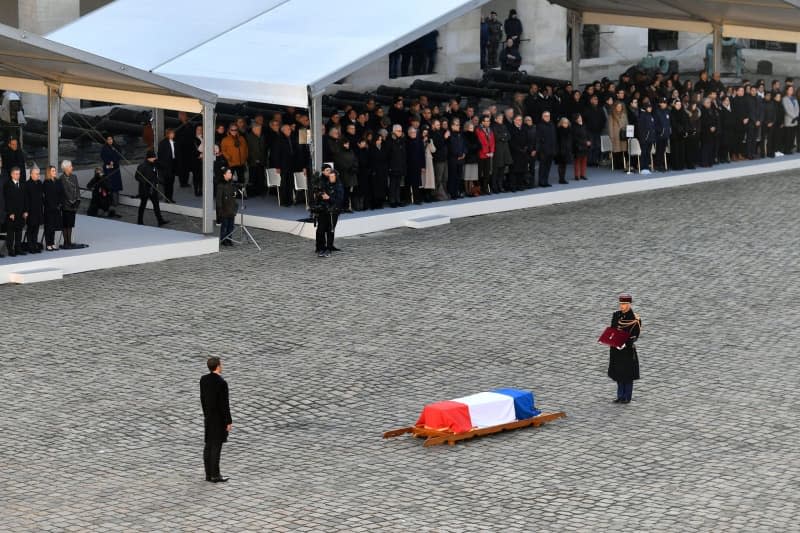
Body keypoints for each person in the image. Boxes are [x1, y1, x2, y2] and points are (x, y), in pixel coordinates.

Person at [200, 357, 232, 483]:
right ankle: (215, 474)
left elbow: (202, 398)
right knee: (216, 446)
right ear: (218, 366)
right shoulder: (221, 382)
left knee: (208, 445)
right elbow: (224, 404)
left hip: (208, 417)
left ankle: (208, 474)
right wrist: (228, 421)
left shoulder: (204, 380)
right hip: (218, 419)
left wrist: (206, 414)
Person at [607, 294, 641, 404]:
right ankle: (620, 395)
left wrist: (625, 344)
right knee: (618, 373)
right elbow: (612, 329)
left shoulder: (635, 319)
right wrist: (612, 341)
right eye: (621, 304)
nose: (622, 306)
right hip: (616, 349)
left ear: (629, 304)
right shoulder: (616, 315)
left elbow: (635, 335)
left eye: (625, 304)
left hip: (627, 350)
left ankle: (627, 396)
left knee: (627, 374)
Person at [315, 165, 344, 257]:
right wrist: (321, 196)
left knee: (330, 230)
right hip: (324, 210)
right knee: (321, 229)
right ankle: (321, 248)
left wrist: (329, 198)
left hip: (333, 211)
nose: (331, 178)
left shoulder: (339, 186)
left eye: (332, 176)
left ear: (336, 177)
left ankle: (328, 248)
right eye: (330, 176)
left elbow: (339, 200)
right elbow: (320, 195)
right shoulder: (325, 184)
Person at [135, 150, 169, 227]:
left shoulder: (154, 165)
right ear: (148, 158)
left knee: (156, 205)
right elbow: (137, 177)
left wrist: (159, 181)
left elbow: (158, 172)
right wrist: (145, 181)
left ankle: (160, 220)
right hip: (144, 189)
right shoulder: (142, 166)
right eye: (153, 157)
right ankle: (140, 221)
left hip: (153, 188)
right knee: (143, 205)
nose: (154, 159)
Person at [3, 167, 27, 256]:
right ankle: (10, 249)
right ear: (12, 174)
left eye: (19, 174)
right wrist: (10, 213)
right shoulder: (7, 185)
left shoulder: (22, 185)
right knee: (10, 233)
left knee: (19, 231)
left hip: (21, 212)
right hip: (11, 213)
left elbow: (25, 199)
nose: (18, 175)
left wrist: (25, 211)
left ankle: (18, 248)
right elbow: (7, 200)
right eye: (16, 174)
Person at [59, 160, 81, 249]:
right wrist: (71, 201)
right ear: (66, 168)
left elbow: (77, 189)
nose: (72, 167)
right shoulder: (61, 178)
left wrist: (77, 200)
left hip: (73, 205)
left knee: (71, 224)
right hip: (66, 205)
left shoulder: (74, 177)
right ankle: (66, 242)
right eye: (71, 166)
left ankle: (70, 241)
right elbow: (65, 192)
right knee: (65, 224)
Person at [24, 166, 44, 253]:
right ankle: (30, 246)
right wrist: (26, 211)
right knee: (30, 229)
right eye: (36, 174)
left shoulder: (39, 183)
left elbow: (42, 196)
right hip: (30, 211)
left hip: (38, 210)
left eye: (38, 174)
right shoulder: (27, 184)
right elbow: (25, 199)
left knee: (36, 229)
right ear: (31, 174)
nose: (38, 175)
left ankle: (35, 245)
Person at [42, 165, 62, 252]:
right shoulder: (46, 182)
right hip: (49, 208)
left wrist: (59, 203)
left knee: (53, 226)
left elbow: (61, 192)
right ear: (49, 172)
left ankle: (52, 243)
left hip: (57, 207)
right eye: (53, 171)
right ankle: (48, 244)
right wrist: (50, 205)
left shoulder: (58, 181)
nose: (55, 172)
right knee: (48, 227)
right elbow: (45, 196)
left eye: (55, 170)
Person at [216, 167, 238, 246]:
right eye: (229, 173)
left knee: (231, 226)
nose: (231, 174)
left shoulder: (232, 183)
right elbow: (218, 199)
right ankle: (224, 239)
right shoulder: (221, 185)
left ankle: (229, 239)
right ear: (224, 175)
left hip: (231, 208)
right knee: (225, 225)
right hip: (224, 208)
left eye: (231, 173)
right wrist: (220, 209)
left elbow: (234, 194)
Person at [100, 133, 123, 208]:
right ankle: (109, 201)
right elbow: (103, 156)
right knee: (108, 185)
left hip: (115, 168)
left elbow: (119, 156)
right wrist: (109, 162)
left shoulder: (117, 147)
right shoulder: (104, 148)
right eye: (108, 139)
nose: (110, 141)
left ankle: (115, 202)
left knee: (115, 186)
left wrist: (113, 161)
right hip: (107, 168)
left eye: (111, 139)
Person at [386, 125, 406, 208]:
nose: (400, 132)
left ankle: (398, 200)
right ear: (393, 131)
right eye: (398, 131)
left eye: (401, 131)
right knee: (392, 184)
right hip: (393, 166)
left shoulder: (401, 140)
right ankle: (392, 201)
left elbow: (403, 154)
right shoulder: (389, 140)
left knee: (398, 184)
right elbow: (388, 155)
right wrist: (389, 167)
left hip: (400, 166)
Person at [535, 111, 557, 187]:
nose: (547, 117)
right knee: (542, 167)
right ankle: (541, 182)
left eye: (548, 116)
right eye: (545, 116)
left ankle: (546, 181)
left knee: (548, 167)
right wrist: (539, 150)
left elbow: (554, 138)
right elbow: (538, 139)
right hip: (543, 151)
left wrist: (554, 149)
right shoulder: (540, 125)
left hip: (551, 150)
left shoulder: (552, 125)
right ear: (542, 117)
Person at [476, 115, 495, 194]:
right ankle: (479, 188)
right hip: (481, 154)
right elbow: (480, 142)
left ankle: (485, 188)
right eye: (486, 121)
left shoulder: (490, 130)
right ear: (482, 122)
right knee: (479, 173)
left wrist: (492, 151)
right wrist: (486, 152)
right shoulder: (478, 130)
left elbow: (493, 142)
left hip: (489, 155)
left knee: (487, 173)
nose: (488, 123)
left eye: (488, 121)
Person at [157, 129, 177, 203]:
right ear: (168, 134)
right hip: (166, 166)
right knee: (167, 183)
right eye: (172, 133)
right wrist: (162, 166)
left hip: (172, 164)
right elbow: (160, 155)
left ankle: (170, 197)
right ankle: (167, 198)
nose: (173, 135)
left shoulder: (174, 142)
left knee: (171, 182)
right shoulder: (162, 143)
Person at [636, 102, 656, 174]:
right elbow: (641, 128)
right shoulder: (642, 116)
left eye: (650, 107)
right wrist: (643, 138)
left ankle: (647, 167)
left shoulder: (651, 116)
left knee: (648, 153)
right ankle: (642, 168)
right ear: (645, 108)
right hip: (644, 139)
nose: (650, 108)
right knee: (643, 153)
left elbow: (653, 127)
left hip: (650, 138)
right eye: (648, 107)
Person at [571, 113, 590, 180]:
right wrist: (584, 142)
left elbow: (587, 134)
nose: (580, 118)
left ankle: (583, 174)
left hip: (585, 146)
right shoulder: (574, 127)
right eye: (578, 118)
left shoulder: (584, 125)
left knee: (584, 161)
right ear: (575, 119)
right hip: (578, 146)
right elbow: (575, 138)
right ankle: (577, 175)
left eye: (580, 117)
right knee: (577, 161)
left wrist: (589, 140)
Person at [555, 117, 573, 184]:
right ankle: (561, 179)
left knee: (565, 165)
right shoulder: (559, 130)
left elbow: (570, 140)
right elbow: (557, 141)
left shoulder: (569, 130)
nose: (565, 124)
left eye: (567, 123)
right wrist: (558, 150)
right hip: (560, 150)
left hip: (567, 150)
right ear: (561, 123)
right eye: (564, 122)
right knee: (561, 165)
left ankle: (563, 178)